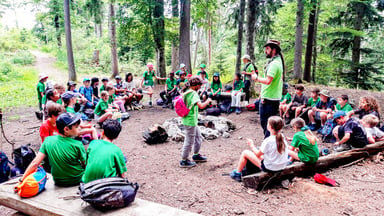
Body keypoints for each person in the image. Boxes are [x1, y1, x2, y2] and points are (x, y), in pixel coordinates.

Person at [20, 113, 86, 186]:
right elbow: (85, 165)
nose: (79, 128)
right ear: (66, 129)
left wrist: (21, 180)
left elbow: (35, 163)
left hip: (58, 181)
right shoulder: (77, 144)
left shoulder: (48, 140)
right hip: (77, 179)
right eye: (76, 127)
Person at [230, 116, 288, 182]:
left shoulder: (268, 141)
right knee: (261, 154)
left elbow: (257, 155)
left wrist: (251, 145)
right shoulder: (282, 137)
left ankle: (237, 173)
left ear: (270, 127)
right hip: (282, 166)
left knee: (245, 153)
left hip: (271, 168)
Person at [252, 39, 285, 138]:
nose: (266, 51)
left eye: (267, 48)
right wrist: (262, 94)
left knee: (268, 125)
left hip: (270, 100)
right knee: (271, 125)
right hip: (271, 97)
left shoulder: (275, 64)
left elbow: (268, 81)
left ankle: (268, 148)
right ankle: (273, 145)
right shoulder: (276, 62)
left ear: (274, 50)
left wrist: (256, 78)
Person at [180, 76, 212, 168]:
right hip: (190, 121)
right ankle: (184, 160)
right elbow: (201, 106)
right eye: (200, 85)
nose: (200, 87)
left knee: (198, 137)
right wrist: (208, 101)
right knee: (189, 141)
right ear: (196, 85)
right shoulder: (193, 94)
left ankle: (196, 155)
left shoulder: (187, 91)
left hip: (191, 120)